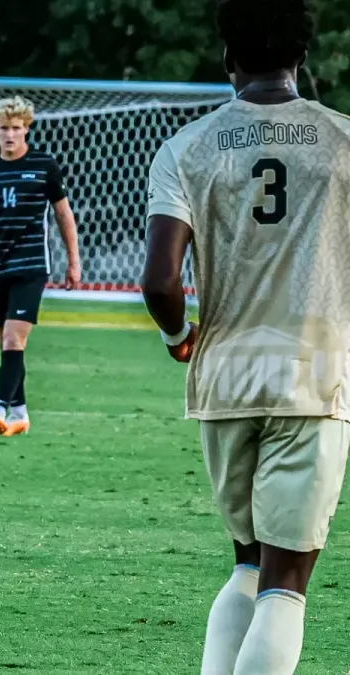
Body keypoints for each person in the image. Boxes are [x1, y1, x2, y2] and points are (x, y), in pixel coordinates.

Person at [142, 1, 350, 671]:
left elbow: (160, 281)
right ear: (304, 58)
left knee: (249, 562)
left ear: (228, 58)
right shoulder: (343, 140)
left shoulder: (187, 147)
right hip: (314, 379)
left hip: (224, 377)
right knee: (286, 583)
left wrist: (180, 335)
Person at [0, 95, 81, 437]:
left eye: (16, 128)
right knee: (7, 344)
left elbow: (64, 215)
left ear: (27, 130)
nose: (10, 134)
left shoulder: (44, 166)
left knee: (12, 340)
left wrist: (74, 261)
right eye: (4, 128)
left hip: (32, 265)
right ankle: (21, 412)